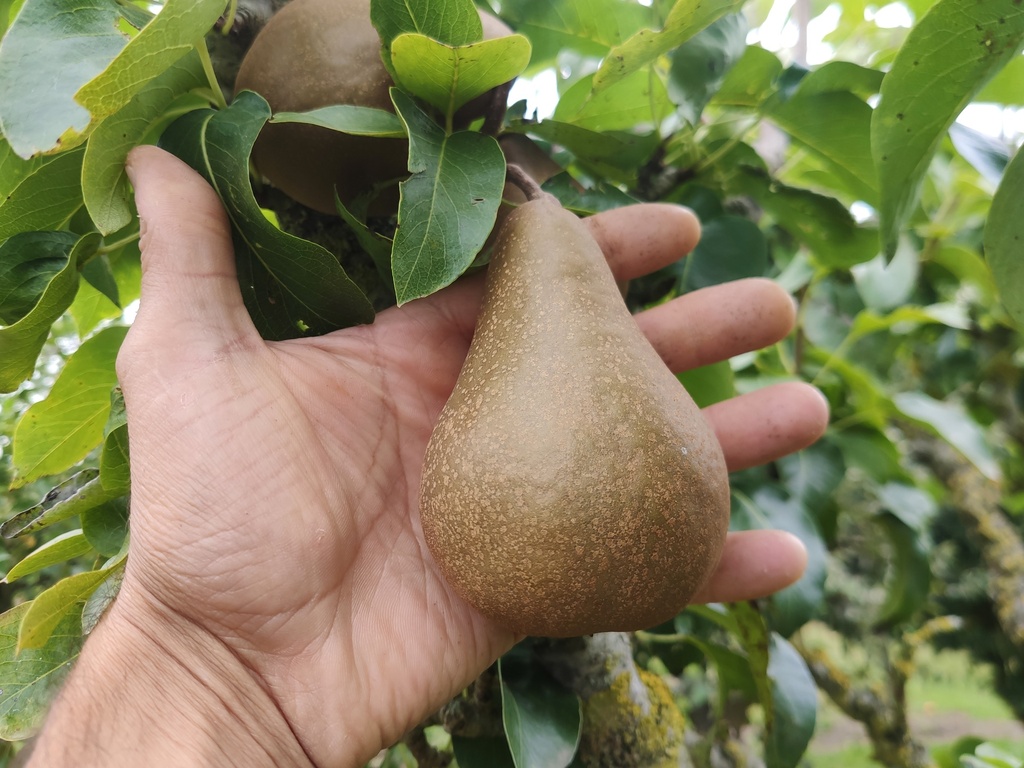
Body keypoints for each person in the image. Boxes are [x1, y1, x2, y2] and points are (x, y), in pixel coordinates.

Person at [27, 146, 829, 767]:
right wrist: (203, 652)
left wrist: (202, 670)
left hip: (586, 546)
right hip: (582, 547)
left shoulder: (544, 265)